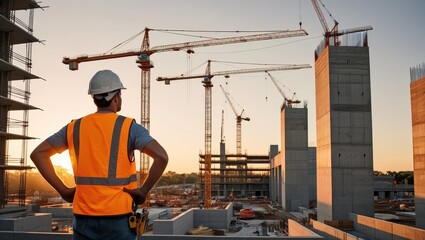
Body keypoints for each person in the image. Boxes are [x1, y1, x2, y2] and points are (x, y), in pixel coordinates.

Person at [30, 69, 168, 239]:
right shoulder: (129, 127)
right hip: (118, 220)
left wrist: (63, 190)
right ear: (116, 97)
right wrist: (144, 190)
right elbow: (161, 157)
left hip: (83, 219)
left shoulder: (74, 127)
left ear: (94, 97)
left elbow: (38, 154)